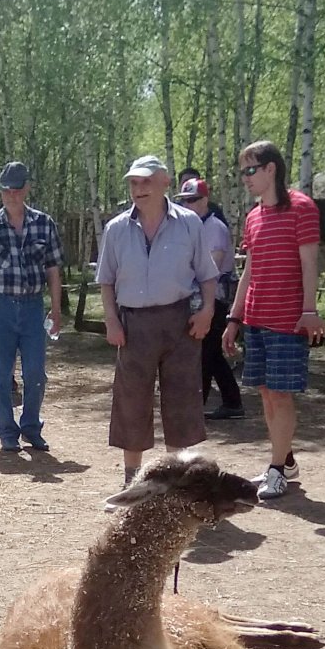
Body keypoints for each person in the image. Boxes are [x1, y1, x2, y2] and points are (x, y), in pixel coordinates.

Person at [96, 155, 219, 485]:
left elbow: (208, 275)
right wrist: (112, 320)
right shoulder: (116, 229)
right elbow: (105, 280)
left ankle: (175, 480)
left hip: (180, 322)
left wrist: (207, 311)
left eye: (146, 181)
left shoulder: (190, 223)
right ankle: (132, 481)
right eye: (134, 183)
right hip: (133, 325)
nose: (139, 189)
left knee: (181, 402)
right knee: (131, 402)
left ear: (166, 182)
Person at [224, 139, 322, 500]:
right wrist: (235, 317)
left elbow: (310, 262)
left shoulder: (302, 208)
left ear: (271, 169)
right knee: (266, 394)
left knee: (280, 395)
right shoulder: (253, 217)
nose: (246, 178)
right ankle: (285, 459)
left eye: (251, 170)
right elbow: (249, 269)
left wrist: (309, 310)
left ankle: (277, 469)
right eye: (242, 172)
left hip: (288, 319)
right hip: (256, 318)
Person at [0, 162, 63, 452]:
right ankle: (7, 431)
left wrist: (56, 309)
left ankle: (31, 427)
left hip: (33, 305)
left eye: (16, 189)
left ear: (27, 189)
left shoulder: (43, 223)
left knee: (35, 372)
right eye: (6, 190)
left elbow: (53, 270)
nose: (11, 195)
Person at [178, 174, 242, 419]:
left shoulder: (214, 227)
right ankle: (232, 401)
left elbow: (211, 268)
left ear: (205, 200)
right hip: (197, 296)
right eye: (184, 200)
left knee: (205, 352)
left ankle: (196, 406)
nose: (188, 205)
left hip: (214, 296)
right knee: (211, 353)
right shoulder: (192, 227)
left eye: (193, 199)